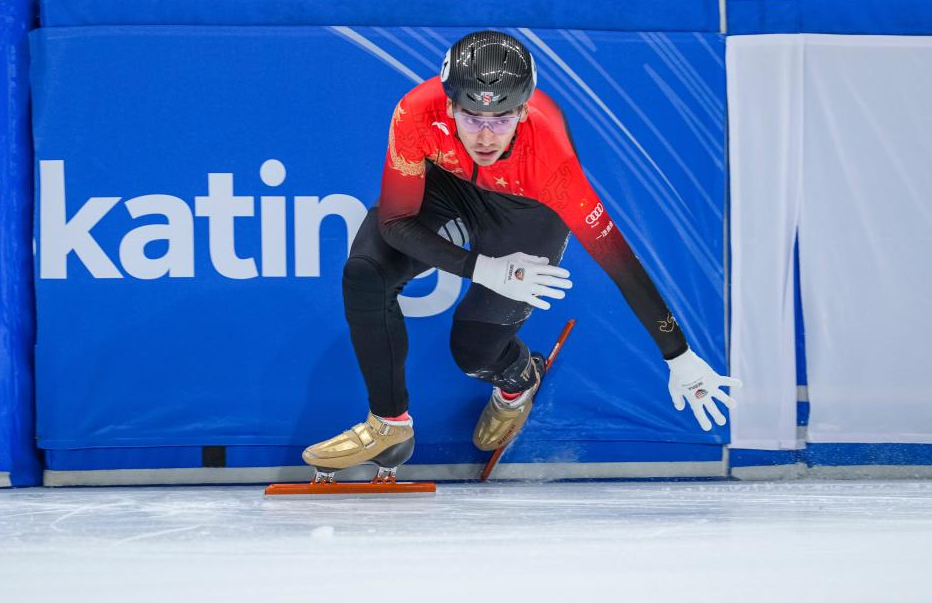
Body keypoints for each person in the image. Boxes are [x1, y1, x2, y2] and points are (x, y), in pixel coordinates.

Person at [302, 30, 739, 482]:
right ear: (449, 105)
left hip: (528, 210)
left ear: (524, 110)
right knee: (365, 273)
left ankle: (518, 380)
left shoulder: (553, 159)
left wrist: (679, 356)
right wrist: (484, 269)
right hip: (446, 186)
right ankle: (389, 424)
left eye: (503, 118)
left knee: (474, 355)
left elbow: (620, 264)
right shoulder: (416, 113)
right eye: (472, 117)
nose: (486, 136)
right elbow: (395, 224)